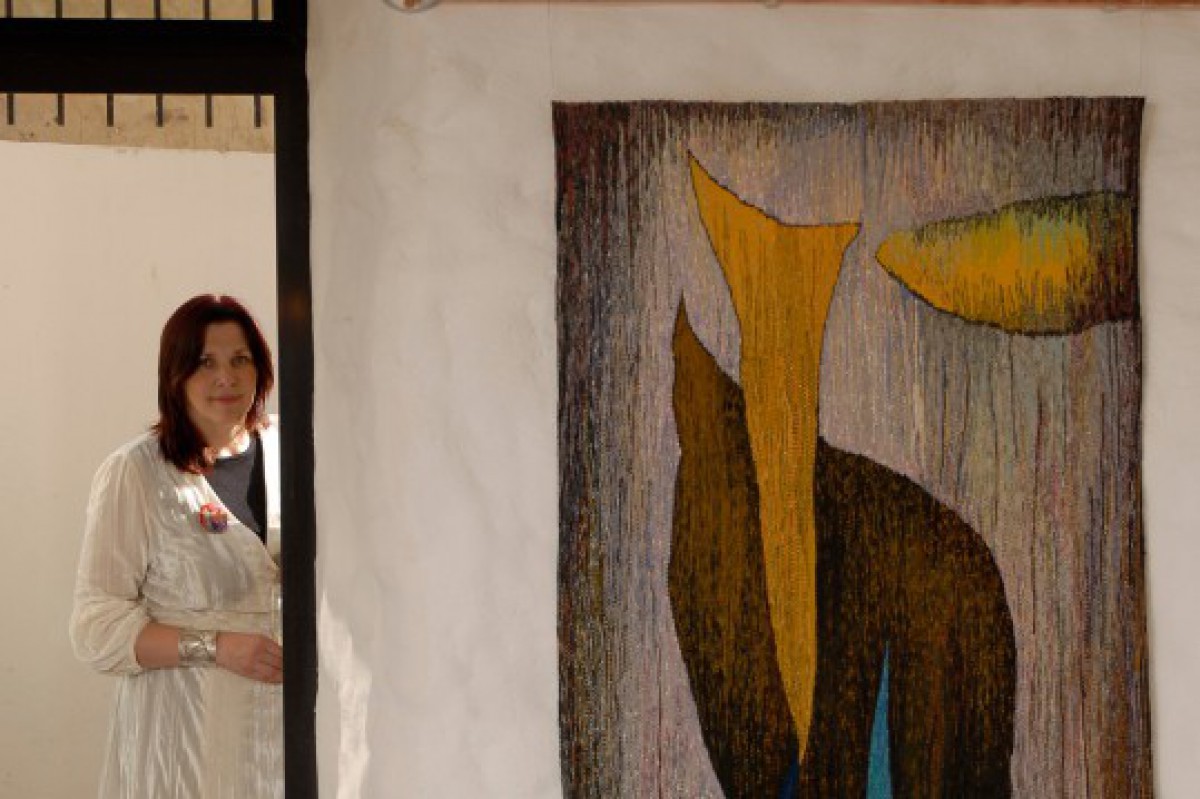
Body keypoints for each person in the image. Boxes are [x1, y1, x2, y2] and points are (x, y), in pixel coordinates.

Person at [70, 294, 283, 798]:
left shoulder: (291, 454)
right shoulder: (136, 473)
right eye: (205, 362)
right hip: (181, 743)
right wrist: (216, 647)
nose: (226, 377)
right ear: (175, 373)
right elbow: (95, 627)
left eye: (240, 359)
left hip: (277, 743)